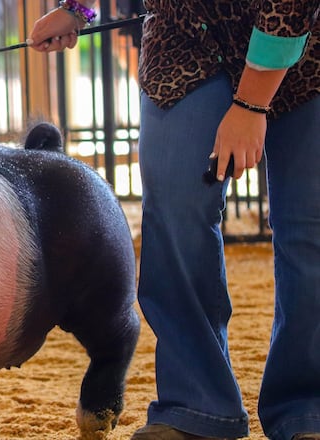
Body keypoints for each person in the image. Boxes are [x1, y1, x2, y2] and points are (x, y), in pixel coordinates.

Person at [28, 1, 320, 439]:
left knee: (309, 225)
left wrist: (251, 106)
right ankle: (195, 406)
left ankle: (308, 406)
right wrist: (80, 8)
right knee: (174, 213)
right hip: (183, 39)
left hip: (303, 43)